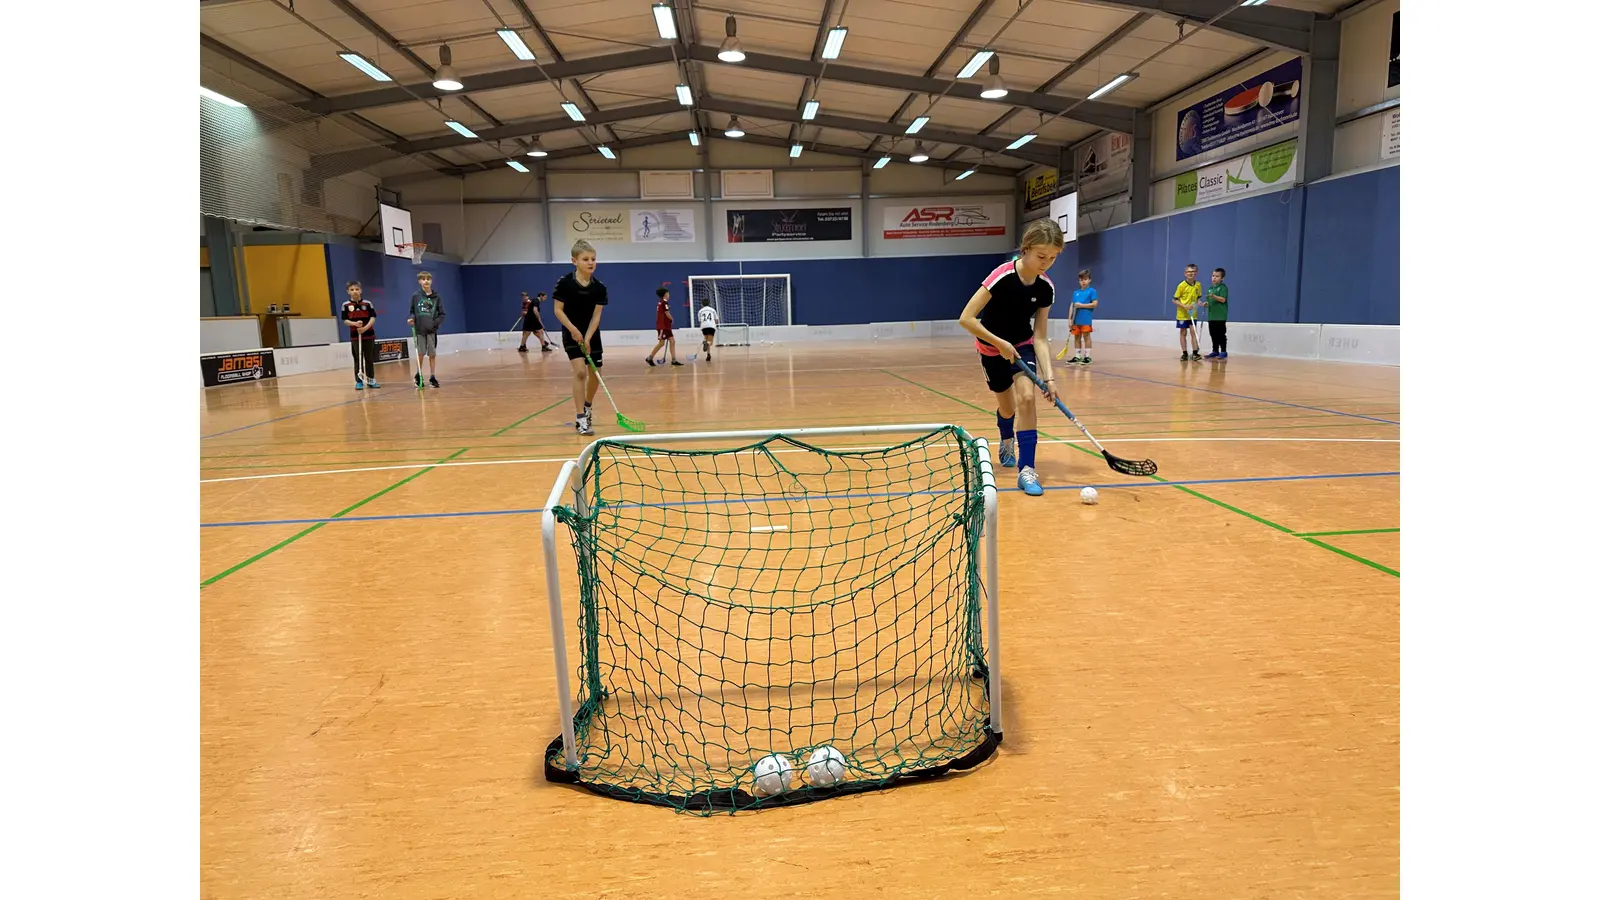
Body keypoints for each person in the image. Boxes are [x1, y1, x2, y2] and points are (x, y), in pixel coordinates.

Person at [958, 218, 1063, 497]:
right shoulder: (1002, 276)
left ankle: (1027, 469)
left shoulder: (1045, 288)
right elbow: (966, 318)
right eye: (1041, 256)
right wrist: (999, 343)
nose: (1046, 263)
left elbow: (1039, 336)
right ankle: (1006, 438)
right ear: (1026, 249)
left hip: (1022, 346)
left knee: (1027, 398)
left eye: (1053, 257)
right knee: (1007, 408)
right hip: (991, 349)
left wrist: (1049, 378)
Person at [552, 239, 608, 436]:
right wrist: (574, 331)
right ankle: (580, 418)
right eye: (586, 259)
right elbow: (558, 310)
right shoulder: (565, 283)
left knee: (596, 375)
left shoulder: (599, 287)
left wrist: (588, 337)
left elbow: (596, 316)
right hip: (571, 333)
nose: (591, 262)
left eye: (593, 259)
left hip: (592, 334)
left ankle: (587, 406)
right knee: (580, 373)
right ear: (574, 261)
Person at [340, 280, 380, 390]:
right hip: (355, 336)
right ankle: (359, 381)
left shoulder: (367, 304)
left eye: (357, 289)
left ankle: (371, 380)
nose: (355, 291)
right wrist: (355, 324)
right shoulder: (345, 305)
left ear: (361, 290)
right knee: (358, 359)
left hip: (369, 335)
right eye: (352, 290)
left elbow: (373, 318)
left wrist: (365, 328)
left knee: (369, 359)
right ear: (348, 291)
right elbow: (345, 320)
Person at [408, 270, 445, 387]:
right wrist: (411, 318)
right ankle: (418, 375)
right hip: (420, 330)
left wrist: (434, 323)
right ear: (419, 281)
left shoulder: (436, 297)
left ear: (431, 281)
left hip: (431, 331)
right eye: (423, 279)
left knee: (432, 354)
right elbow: (412, 311)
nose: (426, 281)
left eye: (428, 279)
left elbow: (442, 314)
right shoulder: (416, 296)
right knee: (420, 353)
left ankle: (432, 377)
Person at [1066, 268, 1098, 365]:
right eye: (1081, 280)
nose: (1083, 282)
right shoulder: (1076, 292)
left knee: (1086, 337)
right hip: (1076, 319)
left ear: (1089, 280)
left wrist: (1082, 305)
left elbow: (1095, 304)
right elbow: (1072, 305)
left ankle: (1087, 357)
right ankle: (1077, 356)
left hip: (1086, 319)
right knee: (1077, 337)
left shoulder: (1092, 291)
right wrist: (1069, 319)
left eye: (1085, 279)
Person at [646, 286, 684, 367]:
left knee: (672, 341)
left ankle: (674, 360)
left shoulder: (660, 302)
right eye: (668, 293)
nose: (669, 295)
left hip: (665, 326)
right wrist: (672, 319)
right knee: (661, 343)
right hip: (663, 327)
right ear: (665, 294)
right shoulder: (664, 303)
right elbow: (667, 313)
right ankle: (650, 358)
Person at [1173, 263, 1203, 361]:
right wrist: (1185, 306)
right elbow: (1174, 300)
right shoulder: (1181, 285)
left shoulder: (1198, 285)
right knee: (1183, 332)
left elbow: (1198, 299)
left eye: (1193, 272)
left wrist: (1201, 303)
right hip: (1182, 314)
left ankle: (1195, 353)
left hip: (1193, 313)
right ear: (1185, 273)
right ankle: (1184, 353)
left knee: (1193, 332)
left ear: (1196, 273)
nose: (1191, 273)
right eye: (1189, 272)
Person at [1204, 267, 1229, 360]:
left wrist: (1214, 296)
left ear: (1222, 278)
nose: (1214, 278)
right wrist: (1206, 304)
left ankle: (1223, 351)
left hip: (1220, 316)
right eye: (1213, 276)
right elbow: (1210, 302)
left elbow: (1223, 299)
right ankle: (1215, 351)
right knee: (1213, 334)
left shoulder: (1223, 288)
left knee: (1221, 334)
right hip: (1211, 316)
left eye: (1217, 276)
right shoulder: (1210, 289)